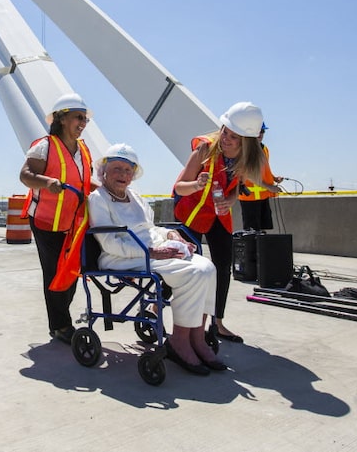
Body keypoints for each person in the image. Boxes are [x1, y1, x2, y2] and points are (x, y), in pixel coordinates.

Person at [88, 144, 226, 375]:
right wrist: (149, 252)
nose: (123, 175)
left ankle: (197, 337)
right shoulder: (98, 199)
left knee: (208, 268)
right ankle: (179, 341)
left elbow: (149, 229)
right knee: (192, 273)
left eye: (127, 170)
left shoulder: (134, 196)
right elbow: (109, 242)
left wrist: (170, 235)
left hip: (151, 250)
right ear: (104, 171)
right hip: (120, 257)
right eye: (117, 169)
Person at [173, 101, 273, 344]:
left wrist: (230, 200)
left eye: (234, 137)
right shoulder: (205, 149)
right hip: (191, 213)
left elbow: (236, 187)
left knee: (221, 268)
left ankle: (216, 324)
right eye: (225, 131)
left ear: (247, 141)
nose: (226, 139)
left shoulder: (247, 158)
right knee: (182, 265)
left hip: (218, 215)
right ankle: (157, 311)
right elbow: (179, 187)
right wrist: (197, 184)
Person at [19, 93, 96, 344]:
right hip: (45, 221)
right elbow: (26, 175)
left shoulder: (83, 150)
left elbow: (85, 182)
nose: (82, 123)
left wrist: (109, 189)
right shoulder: (45, 146)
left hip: (74, 222)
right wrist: (46, 182)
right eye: (78, 118)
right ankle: (60, 326)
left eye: (84, 119)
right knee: (54, 273)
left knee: (72, 271)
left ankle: (61, 318)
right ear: (62, 119)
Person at [239, 122, 283, 231]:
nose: (260, 134)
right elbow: (247, 174)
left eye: (262, 131)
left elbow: (264, 170)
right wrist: (269, 187)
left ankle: (260, 248)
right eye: (258, 131)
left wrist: (274, 178)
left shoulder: (264, 149)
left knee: (262, 229)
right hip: (250, 196)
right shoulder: (246, 149)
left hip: (263, 196)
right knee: (251, 232)